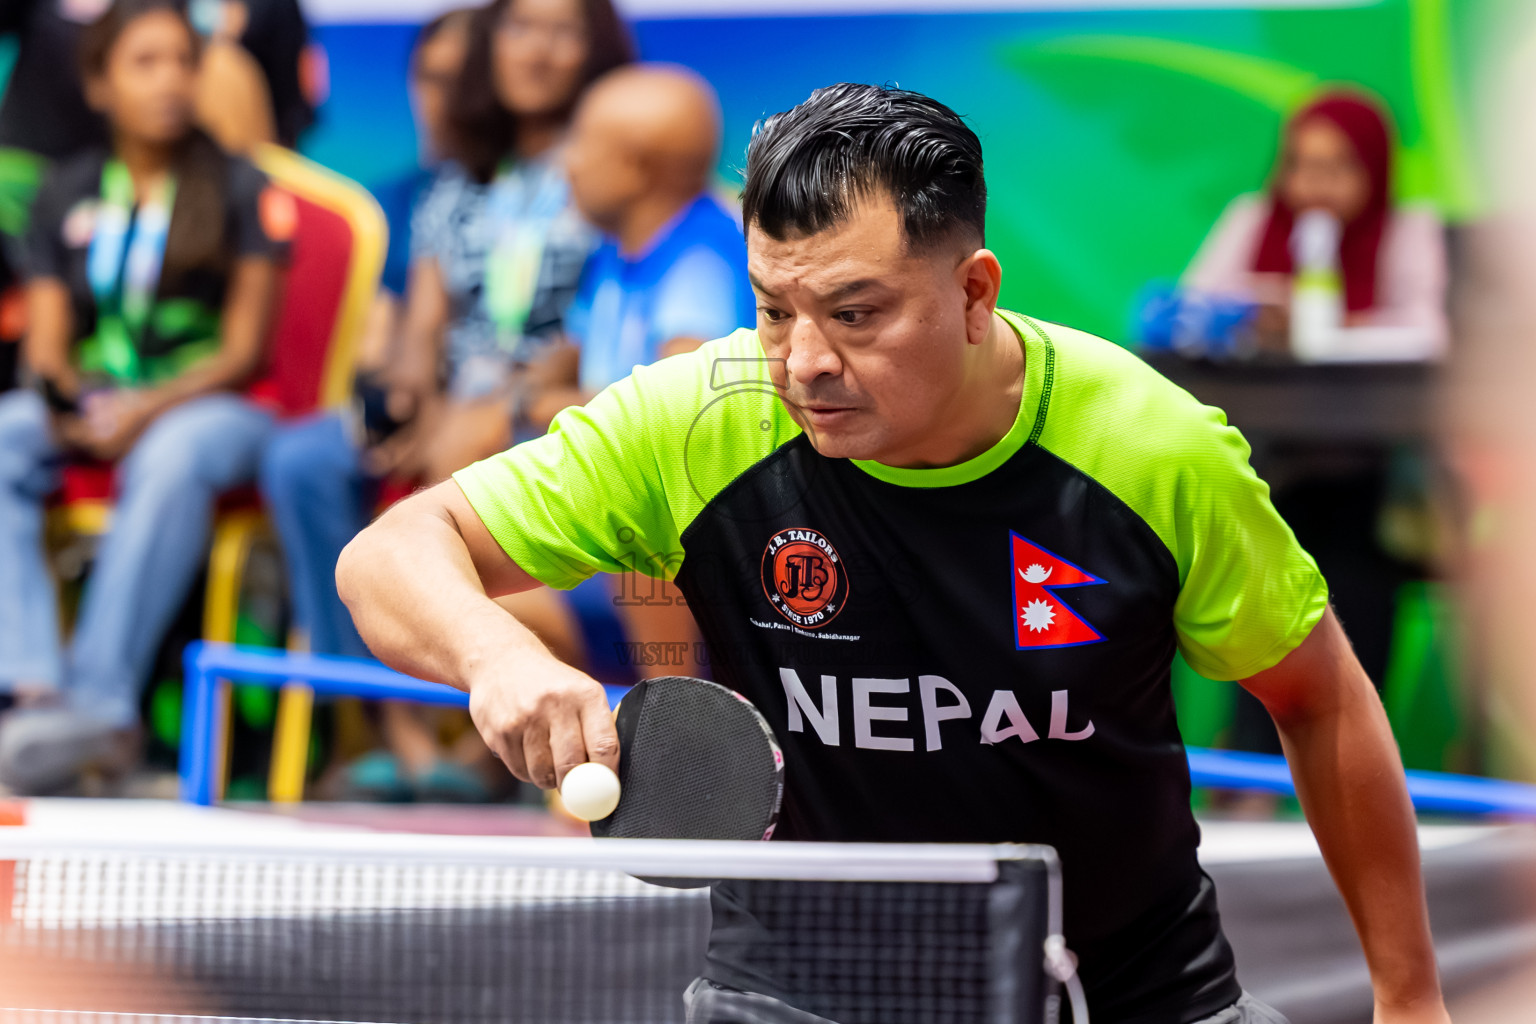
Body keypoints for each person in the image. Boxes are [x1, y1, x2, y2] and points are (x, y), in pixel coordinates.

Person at [336, 84, 1448, 1023]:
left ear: (974, 293)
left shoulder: (1150, 446)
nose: (804, 361)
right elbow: (391, 556)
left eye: (856, 313)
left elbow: (1321, 700)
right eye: (775, 310)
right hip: (796, 990)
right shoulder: (697, 418)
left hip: (1121, 988)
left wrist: (1411, 1003)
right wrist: (497, 656)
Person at [259, 0, 630, 802]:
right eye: (521, 30)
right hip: (450, 404)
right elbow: (424, 324)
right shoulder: (456, 182)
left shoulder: (612, 164)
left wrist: (499, 408)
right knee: (303, 458)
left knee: (469, 465)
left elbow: (600, 326)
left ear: (594, 51)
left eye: (563, 33)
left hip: (551, 410)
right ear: (489, 51)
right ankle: (392, 725)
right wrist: (404, 404)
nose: (538, 51)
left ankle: (496, 741)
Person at [0, 0, 286, 793]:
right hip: (105, 402)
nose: (168, 82)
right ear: (98, 85)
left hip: (215, 409)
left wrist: (145, 408)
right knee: (6, 433)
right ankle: (35, 692)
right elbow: (49, 343)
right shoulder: (68, 189)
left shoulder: (239, 185)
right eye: (144, 63)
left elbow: (242, 351)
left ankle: (103, 704)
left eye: (182, 63)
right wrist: (68, 397)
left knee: (172, 452)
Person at [525, 63, 755, 681]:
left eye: (581, 143)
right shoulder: (619, 247)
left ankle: (672, 720)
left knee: (642, 492)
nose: (565, 163)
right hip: (602, 506)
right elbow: (571, 354)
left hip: (683, 535)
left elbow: (675, 397)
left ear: (634, 169)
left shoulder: (702, 253)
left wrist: (538, 407)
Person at [1183, 89, 1448, 353]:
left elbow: (1429, 333)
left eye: (1340, 166)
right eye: (1301, 164)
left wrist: (1334, 325)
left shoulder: (1406, 228)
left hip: (1368, 389)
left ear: (1376, 169)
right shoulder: (1253, 217)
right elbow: (1190, 308)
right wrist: (1251, 312)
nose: (1316, 183)